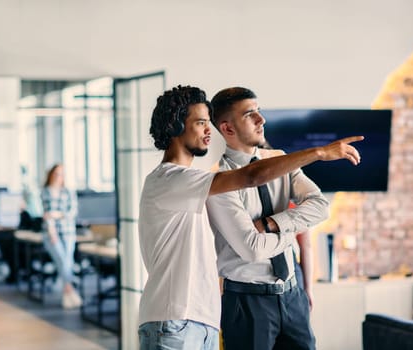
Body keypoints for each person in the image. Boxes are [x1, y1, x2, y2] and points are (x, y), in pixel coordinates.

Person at [137, 85, 363, 350]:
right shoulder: (172, 180)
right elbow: (250, 184)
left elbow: (318, 206)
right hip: (176, 319)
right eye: (200, 122)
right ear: (175, 127)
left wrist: (274, 224)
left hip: (202, 317)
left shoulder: (195, 181)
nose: (209, 130)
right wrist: (319, 153)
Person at [206, 87, 331, 350]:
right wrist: (293, 229)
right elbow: (252, 250)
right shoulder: (218, 181)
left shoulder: (280, 160)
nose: (261, 120)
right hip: (247, 303)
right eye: (250, 114)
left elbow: (321, 206)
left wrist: (271, 224)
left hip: (292, 294)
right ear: (228, 128)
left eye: (259, 112)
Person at [41, 164, 82, 309]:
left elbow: (72, 213)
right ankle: (70, 291)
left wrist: (58, 214)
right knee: (62, 260)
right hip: (51, 233)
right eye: (56, 173)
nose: (59, 177)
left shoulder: (68, 192)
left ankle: (67, 292)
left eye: (61, 174)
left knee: (67, 262)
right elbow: (47, 214)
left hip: (68, 232)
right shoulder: (45, 192)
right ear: (51, 174)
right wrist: (52, 232)